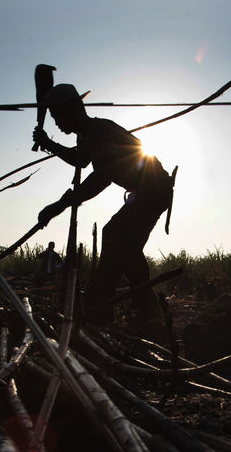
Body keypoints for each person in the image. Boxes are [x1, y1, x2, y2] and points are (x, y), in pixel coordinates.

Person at [32, 83, 173, 331]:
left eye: (58, 116)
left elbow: (100, 178)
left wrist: (59, 205)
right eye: (52, 117)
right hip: (148, 192)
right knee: (125, 246)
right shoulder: (89, 134)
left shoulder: (98, 132)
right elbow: (81, 159)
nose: (56, 123)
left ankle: (107, 309)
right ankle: (145, 311)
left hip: (152, 190)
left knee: (117, 239)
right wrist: (49, 144)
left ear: (73, 109)